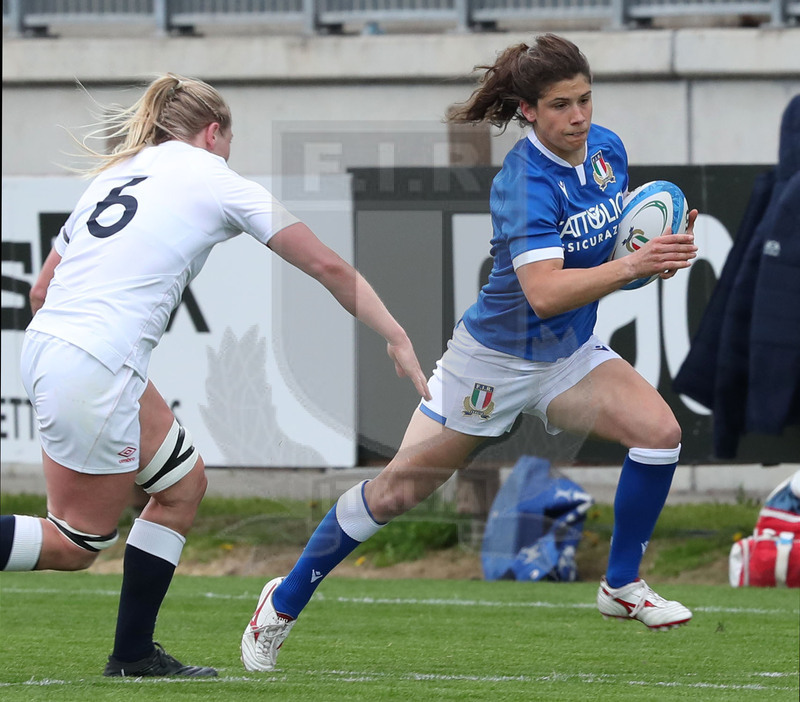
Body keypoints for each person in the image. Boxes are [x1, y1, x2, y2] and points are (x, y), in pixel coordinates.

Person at [240, 33, 700, 673]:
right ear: (528, 110)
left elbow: (605, 251)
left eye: (586, 100)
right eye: (561, 105)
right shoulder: (523, 182)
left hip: (567, 357)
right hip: (492, 363)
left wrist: (656, 255)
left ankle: (620, 586)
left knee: (659, 432)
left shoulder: (607, 152)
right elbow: (541, 293)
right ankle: (283, 601)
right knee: (399, 492)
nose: (578, 116)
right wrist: (632, 268)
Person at [0, 73, 430, 677]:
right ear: (213, 131)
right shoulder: (214, 177)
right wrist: (396, 333)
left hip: (55, 347)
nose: (231, 154)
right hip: (94, 360)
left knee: (181, 487)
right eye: (230, 141)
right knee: (75, 544)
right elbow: (327, 265)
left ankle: (133, 656)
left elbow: (41, 288)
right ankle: (130, 655)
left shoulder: (116, 175)